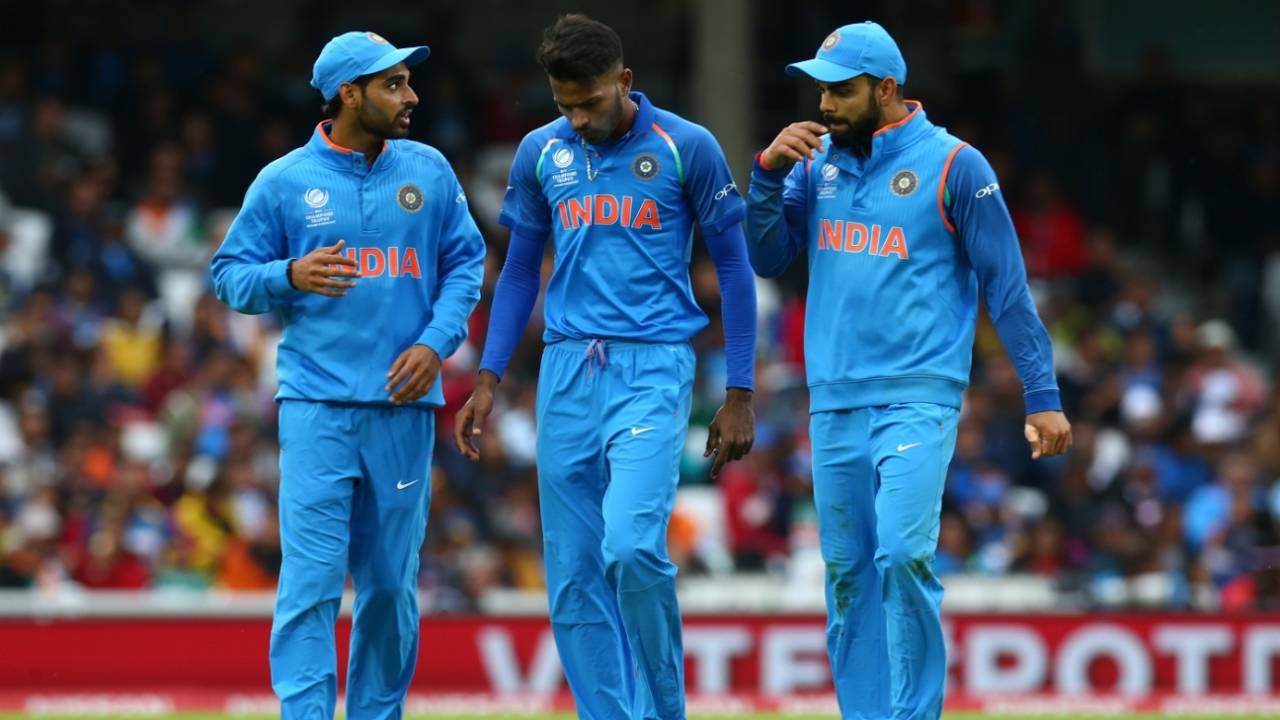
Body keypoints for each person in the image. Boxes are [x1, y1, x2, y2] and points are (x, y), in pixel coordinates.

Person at [746, 21, 1072, 720]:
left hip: (917, 397)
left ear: (886, 89)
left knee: (901, 556)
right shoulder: (815, 164)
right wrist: (767, 175)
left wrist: (1042, 394)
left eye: (841, 91)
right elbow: (768, 258)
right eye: (821, 91)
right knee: (848, 577)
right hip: (832, 399)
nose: (826, 106)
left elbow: (1006, 288)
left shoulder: (957, 166)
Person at [453, 14, 756, 720]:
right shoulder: (540, 152)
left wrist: (740, 388)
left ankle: (664, 710)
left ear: (624, 81)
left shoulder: (688, 147)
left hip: (653, 368)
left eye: (590, 102)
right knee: (573, 576)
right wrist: (491, 377)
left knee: (630, 549)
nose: (579, 120)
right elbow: (521, 271)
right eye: (564, 105)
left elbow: (736, 270)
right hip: (564, 371)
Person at [210, 30, 485, 720]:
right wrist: (287, 275)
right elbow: (228, 276)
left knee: (391, 586)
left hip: (404, 406)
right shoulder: (283, 182)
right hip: (316, 407)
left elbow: (466, 265)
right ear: (348, 95)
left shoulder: (429, 170)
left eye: (408, 82)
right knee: (310, 583)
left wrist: (436, 342)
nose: (411, 95)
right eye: (393, 84)